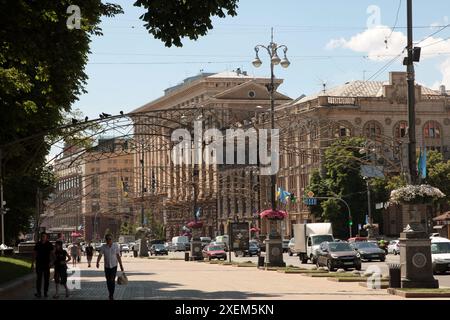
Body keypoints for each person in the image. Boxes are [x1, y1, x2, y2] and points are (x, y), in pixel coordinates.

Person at [96, 234, 124, 300]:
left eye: (110, 239)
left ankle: (111, 294)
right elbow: (100, 255)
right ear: (106, 240)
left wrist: (121, 265)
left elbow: (118, 256)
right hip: (107, 266)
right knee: (108, 281)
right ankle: (110, 293)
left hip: (114, 266)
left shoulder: (115, 246)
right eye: (107, 239)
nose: (109, 240)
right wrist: (97, 262)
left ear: (112, 239)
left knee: (112, 280)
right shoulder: (103, 247)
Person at [31, 232, 54, 298]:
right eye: (42, 236)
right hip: (39, 263)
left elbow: (52, 254)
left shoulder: (49, 244)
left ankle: (45, 292)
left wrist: (52, 262)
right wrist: (32, 263)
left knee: (46, 279)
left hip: (47, 264)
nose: (43, 237)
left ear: (46, 237)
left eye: (44, 236)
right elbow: (34, 253)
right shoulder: (38, 244)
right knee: (39, 279)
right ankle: (39, 293)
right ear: (41, 237)